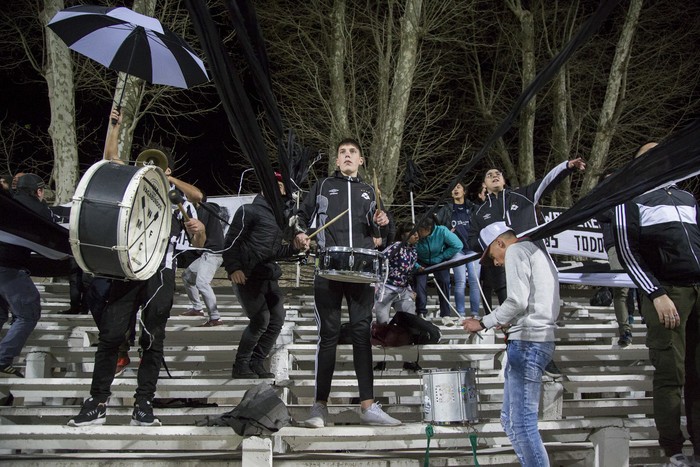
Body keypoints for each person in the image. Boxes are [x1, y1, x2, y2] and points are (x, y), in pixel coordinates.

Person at [68, 108, 206, 427]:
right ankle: (97, 401)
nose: (150, 168)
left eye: (157, 165)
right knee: (111, 335)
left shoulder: (177, 197)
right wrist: (114, 127)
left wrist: (197, 230)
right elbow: (110, 159)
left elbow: (199, 212)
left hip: (161, 272)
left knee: (152, 339)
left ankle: (143, 403)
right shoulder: (133, 188)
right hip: (128, 270)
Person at [293, 137, 402, 427]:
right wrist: (302, 234)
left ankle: (368, 405)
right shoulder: (323, 185)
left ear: (361, 160)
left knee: (361, 334)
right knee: (327, 334)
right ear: (337, 161)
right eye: (342, 152)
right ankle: (319, 407)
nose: (347, 156)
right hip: (329, 267)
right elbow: (301, 217)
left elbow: (384, 237)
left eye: (353, 152)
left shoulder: (369, 191)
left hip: (362, 271)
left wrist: (384, 222)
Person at [613, 142, 700, 467]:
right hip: (666, 293)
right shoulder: (628, 197)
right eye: (649, 155)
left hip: (697, 289)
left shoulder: (687, 197)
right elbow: (627, 251)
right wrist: (656, 293)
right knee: (671, 373)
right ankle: (674, 451)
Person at [469, 158, 586, 376]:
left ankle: (545, 359)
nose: (495, 176)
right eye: (489, 175)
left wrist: (567, 167)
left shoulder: (523, 195)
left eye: (498, 173)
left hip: (533, 260)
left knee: (539, 307)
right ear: (484, 184)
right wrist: (494, 247)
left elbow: (547, 182)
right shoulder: (478, 213)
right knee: (511, 310)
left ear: (504, 180)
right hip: (503, 266)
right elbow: (472, 240)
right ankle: (513, 350)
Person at [464, 221, 559, 466]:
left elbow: (516, 300)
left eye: (493, 256)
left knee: (521, 423)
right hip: (537, 339)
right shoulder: (537, 250)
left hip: (528, 342)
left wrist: (483, 322)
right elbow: (530, 302)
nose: (495, 263)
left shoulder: (517, 250)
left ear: (500, 242)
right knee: (509, 419)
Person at [223, 172, 303, 378]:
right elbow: (231, 242)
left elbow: (274, 252)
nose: (283, 190)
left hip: (268, 275)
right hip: (247, 275)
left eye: (284, 186)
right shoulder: (248, 210)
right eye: (278, 185)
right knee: (260, 320)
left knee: (277, 319)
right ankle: (240, 365)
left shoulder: (279, 220)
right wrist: (234, 268)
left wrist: (294, 248)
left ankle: (256, 362)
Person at [0, 173, 55, 377]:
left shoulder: (8, 203)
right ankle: (3, 358)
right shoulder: (39, 209)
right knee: (27, 313)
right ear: (39, 191)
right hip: (10, 268)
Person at [595, 171, 632, 347]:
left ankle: (636, 319)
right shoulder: (602, 201)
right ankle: (625, 330)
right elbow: (608, 216)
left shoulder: (630, 197)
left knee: (641, 285)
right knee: (621, 289)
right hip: (615, 246)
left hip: (634, 245)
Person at [435, 180, 481, 317]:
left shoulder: (473, 208)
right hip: (457, 250)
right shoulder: (447, 209)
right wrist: (448, 232)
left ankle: (475, 313)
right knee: (460, 282)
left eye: (459, 187)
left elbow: (482, 223)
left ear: (464, 191)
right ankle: (460, 313)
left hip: (473, 248)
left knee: (474, 282)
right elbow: (438, 226)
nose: (456, 190)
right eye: (453, 188)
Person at [181, 195, 225, 327]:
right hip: (207, 253)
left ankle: (215, 317)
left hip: (213, 253)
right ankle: (197, 308)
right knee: (188, 276)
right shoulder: (206, 210)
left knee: (202, 283)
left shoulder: (204, 210)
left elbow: (198, 233)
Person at [414, 217, 463, 322]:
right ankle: (421, 312)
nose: (418, 233)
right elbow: (410, 250)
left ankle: (445, 314)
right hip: (420, 260)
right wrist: (417, 266)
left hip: (438, 259)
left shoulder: (442, 231)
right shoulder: (415, 234)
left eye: (421, 230)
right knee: (420, 284)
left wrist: (442, 256)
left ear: (428, 229)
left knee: (444, 281)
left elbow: (458, 245)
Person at [373, 222, 419, 325]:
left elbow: (407, 273)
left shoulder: (414, 251)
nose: (416, 235)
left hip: (403, 290)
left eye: (416, 232)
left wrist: (410, 289)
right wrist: (377, 283)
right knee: (382, 322)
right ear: (403, 235)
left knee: (410, 320)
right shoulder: (396, 246)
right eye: (412, 232)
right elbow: (380, 259)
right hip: (387, 288)